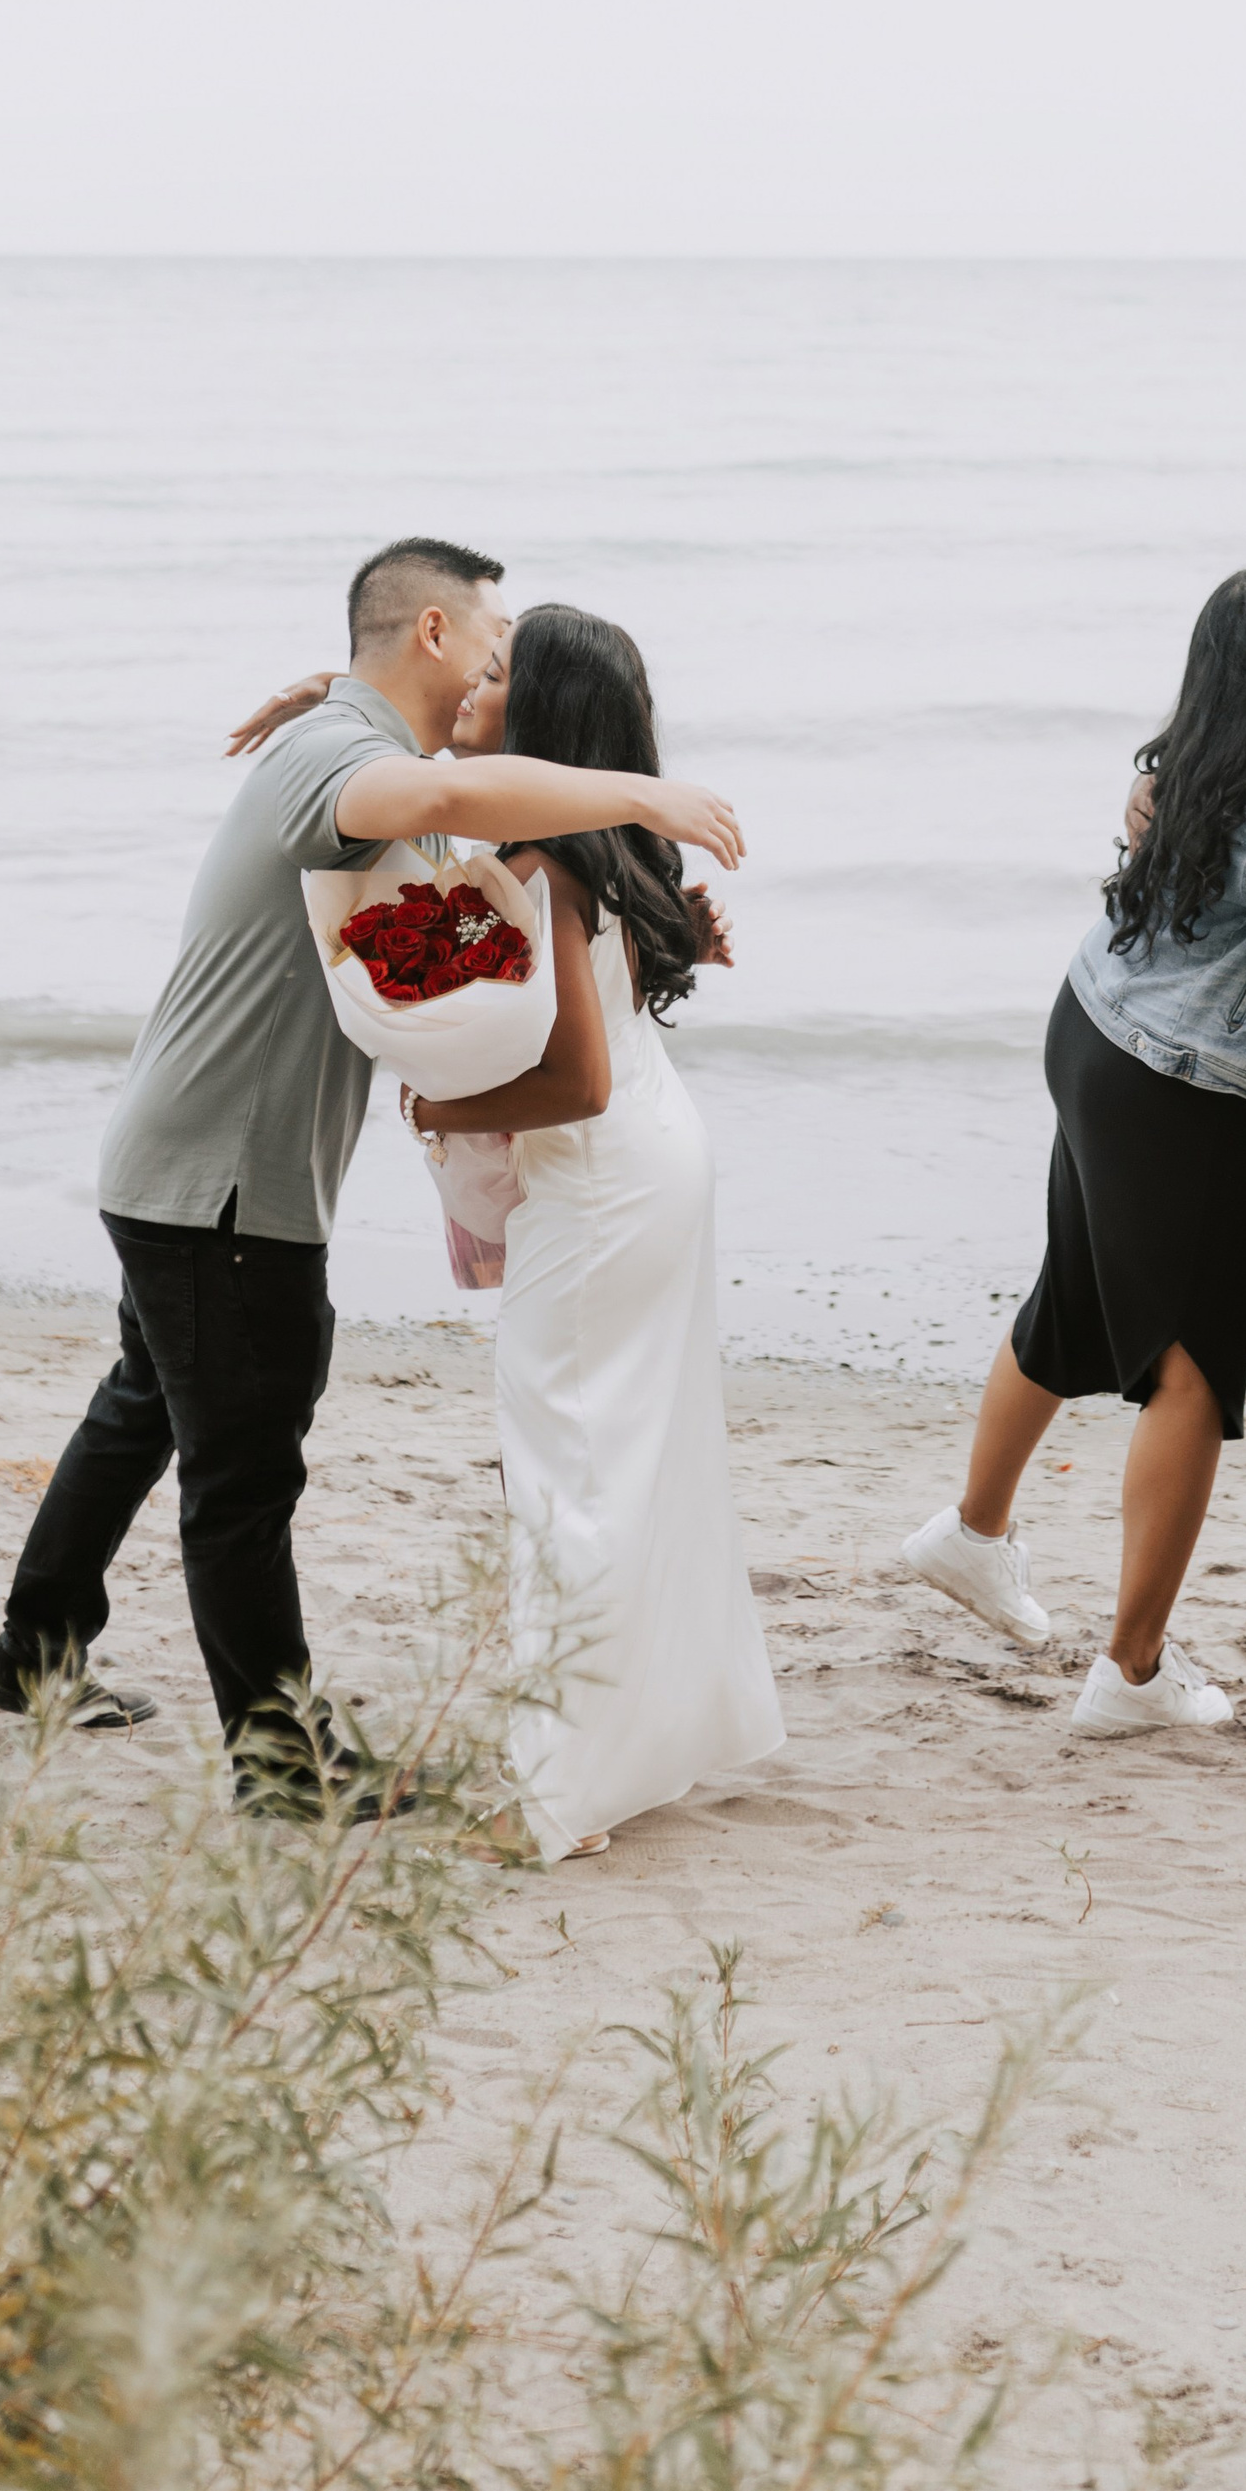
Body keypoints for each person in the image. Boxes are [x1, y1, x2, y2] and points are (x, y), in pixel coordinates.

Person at [0, 538, 745, 1811]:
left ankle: (32, 1652)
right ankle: (283, 1769)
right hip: (224, 1179)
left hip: (187, 1162)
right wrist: (639, 796)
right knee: (245, 1471)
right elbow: (437, 807)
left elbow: (455, 860)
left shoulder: (342, 745)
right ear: (434, 633)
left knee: (148, 1410)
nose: (502, 660)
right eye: (489, 638)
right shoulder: (342, 762)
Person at [900, 566, 1246, 1732]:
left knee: (1078, 1296)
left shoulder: (1187, 764)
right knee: (1192, 1373)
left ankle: (972, 1531)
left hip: (1093, 1030)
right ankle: (1133, 1672)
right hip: (1179, 1087)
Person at [405, 604, 783, 1861]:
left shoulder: (551, 863)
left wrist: (433, 1099)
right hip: (655, 1164)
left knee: (567, 1471)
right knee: (637, 1462)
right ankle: (638, 1746)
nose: (473, 680)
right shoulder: (585, 841)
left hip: (602, 1175)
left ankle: (555, 1794)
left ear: (548, 718)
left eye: (499, 671)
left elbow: (572, 1080)